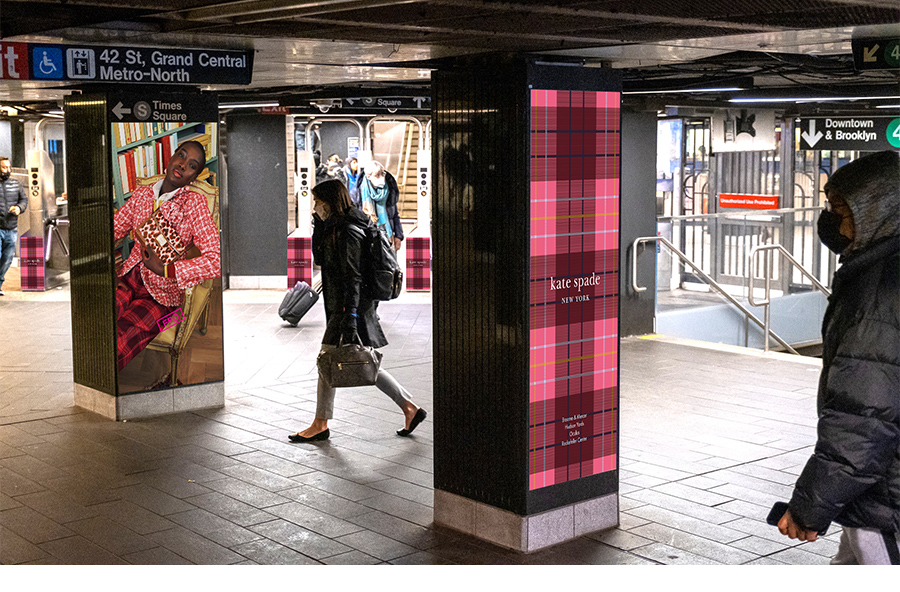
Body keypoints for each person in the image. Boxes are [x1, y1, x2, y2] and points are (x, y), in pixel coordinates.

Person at [778, 150, 900, 564]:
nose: (832, 222)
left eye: (842, 210)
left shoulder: (880, 289)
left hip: (887, 500)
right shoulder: (879, 269)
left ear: (879, 211)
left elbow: (864, 415)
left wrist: (811, 505)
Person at [289, 179, 426, 442]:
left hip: (348, 307)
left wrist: (350, 316)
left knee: (328, 359)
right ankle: (410, 408)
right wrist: (319, 225)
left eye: (318, 202)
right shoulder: (334, 226)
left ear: (330, 202)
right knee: (362, 359)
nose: (315, 206)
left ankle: (320, 423)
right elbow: (320, 260)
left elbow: (352, 276)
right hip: (344, 305)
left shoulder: (349, 230)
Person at [113, 140, 220, 371]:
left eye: (192, 165)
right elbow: (114, 228)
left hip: (165, 298)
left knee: (120, 338)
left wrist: (165, 270)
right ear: (171, 157)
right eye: (181, 155)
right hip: (128, 277)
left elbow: (215, 260)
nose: (183, 164)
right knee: (99, 318)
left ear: (194, 177)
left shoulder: (195, 203)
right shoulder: (142, 194)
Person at [359, 160, 403, 251]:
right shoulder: (360, 193)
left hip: (388, 237)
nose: (381, 178)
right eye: (377, 175)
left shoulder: (389, 191)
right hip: (369, 240)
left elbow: (395, 215)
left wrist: (399, 236)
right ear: (368, 176)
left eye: (382, 174)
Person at [0, 156, 27, 296]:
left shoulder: (16, 184)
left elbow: (24, 199)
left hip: (11, 227)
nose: (8, 170)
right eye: (4, 167)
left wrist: (19, 208)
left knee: (6, 259)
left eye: (9, 167)